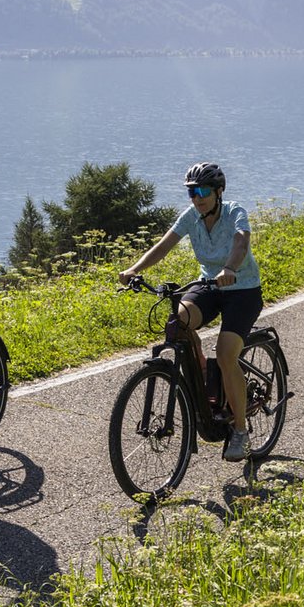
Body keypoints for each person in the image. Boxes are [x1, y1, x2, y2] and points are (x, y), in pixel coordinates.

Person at [116, 161, 265, 460]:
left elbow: (241, 241)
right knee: (178, 322)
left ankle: (239, 430)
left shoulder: (234, 211)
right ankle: (205, 373)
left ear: (218, 191)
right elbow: (163, 246)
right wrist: (134, 269)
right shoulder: (192, 216)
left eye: (204, 191)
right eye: (192, 192)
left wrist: (229, 268)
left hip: (242, 289)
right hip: (209, 285)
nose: (198, 198)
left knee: (226, 354)